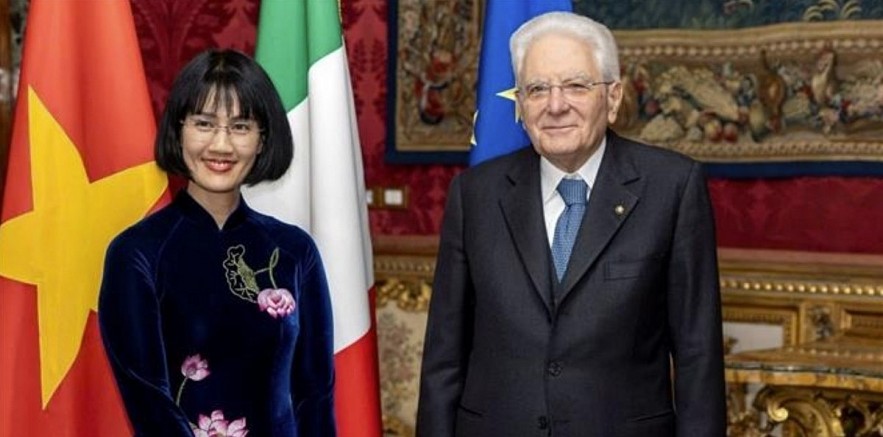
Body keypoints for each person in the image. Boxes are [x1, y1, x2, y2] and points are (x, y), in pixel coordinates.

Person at [417, 11, 726, 437]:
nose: (556, 105)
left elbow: (698, 356)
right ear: (520, 105)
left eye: (576, 85)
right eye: (538, 89)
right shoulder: (475, 195)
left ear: (613, 98)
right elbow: (444, 358)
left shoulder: (671, 188)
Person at [98, 49, 336, 436]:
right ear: (178, 130)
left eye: (241, 127)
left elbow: (316, 396)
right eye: (204, 124)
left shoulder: (294, 252)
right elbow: (148, 402)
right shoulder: (136, 253)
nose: (221, 146)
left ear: (262, 140)